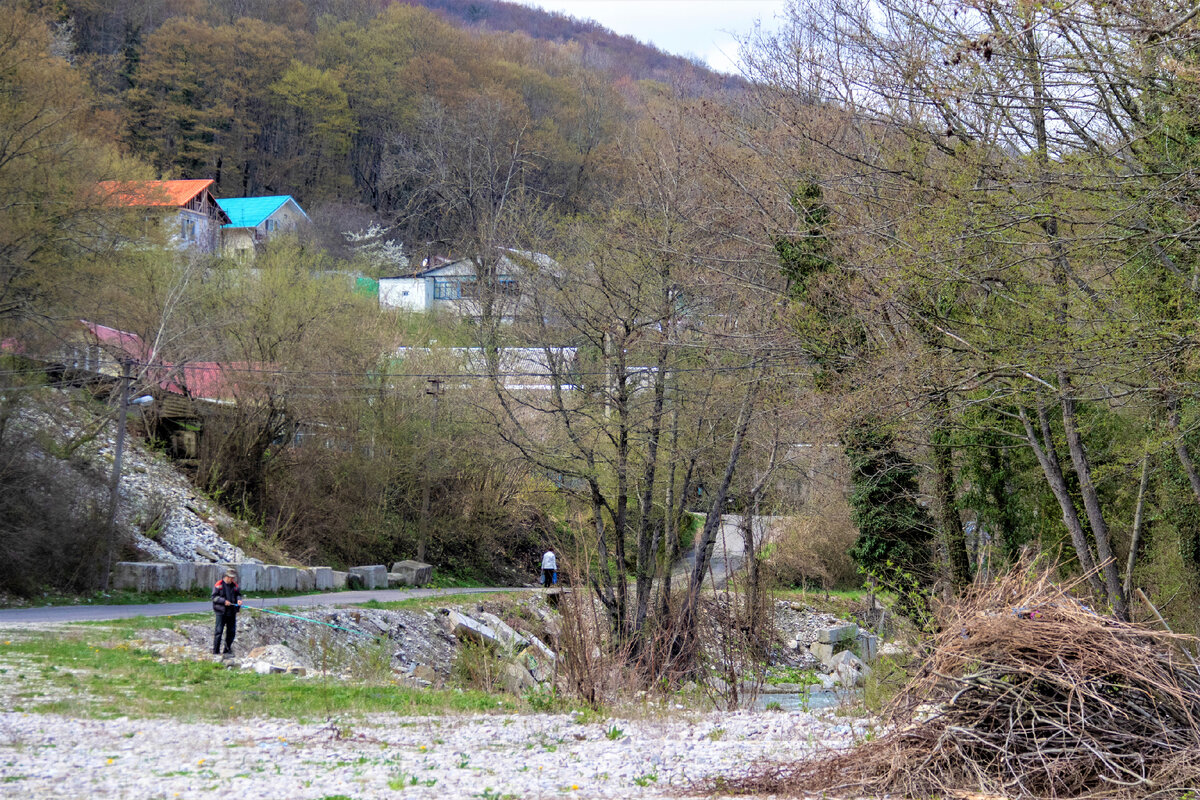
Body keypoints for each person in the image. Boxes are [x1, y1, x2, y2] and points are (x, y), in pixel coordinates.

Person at [211, 567, 242, 656]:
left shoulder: (235, 586)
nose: (231, 579)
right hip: (221, 612)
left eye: (233, 578)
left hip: (232, 612)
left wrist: (239, 600)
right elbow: (214, 598)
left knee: (231, 632)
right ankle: (216, 651)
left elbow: (238, 595)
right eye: (230, 577)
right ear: (226, 576)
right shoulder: (219, 584)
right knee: (219, 631)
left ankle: (227, 650)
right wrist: (223, 601)